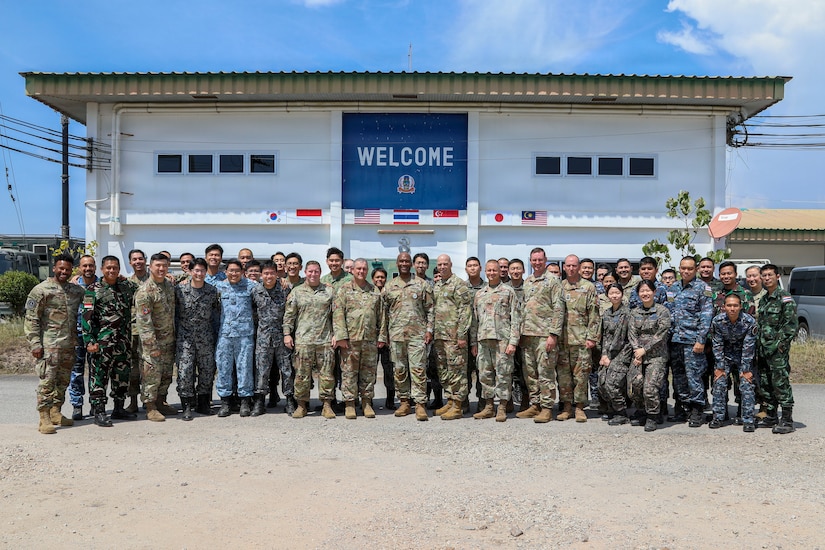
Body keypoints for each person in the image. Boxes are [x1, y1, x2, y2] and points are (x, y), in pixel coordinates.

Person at [24, 253, 85, 434]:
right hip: (49, 345)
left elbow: (91, 295)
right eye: (61, 268)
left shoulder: (76, 291)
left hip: (69, 344)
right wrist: (35, 343)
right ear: (54, 268)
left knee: (63, 380)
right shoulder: (41, 290)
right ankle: (44, 418)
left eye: (67, 269)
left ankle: (56, 411)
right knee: (47, 381)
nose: (64, 272)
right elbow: (31, 318)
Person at [81, 255, 138, 427]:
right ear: (102, 269)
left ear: (119, 269)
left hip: (123, 342)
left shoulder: (127, 287)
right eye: (108, 268)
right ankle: (99, 412)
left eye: (115, 268)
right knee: (99, 377)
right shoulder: (92, 290)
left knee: (122, 376)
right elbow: (86, 317)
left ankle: (119, 408)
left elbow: (144, 290)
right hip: (102, 343)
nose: (112, 271)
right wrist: (89, 341)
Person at [333, 258, 387, 419]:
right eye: (358, 269)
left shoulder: (374, 291)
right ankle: (350, 403)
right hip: (350, 340)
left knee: (369, 373)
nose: (361, 271)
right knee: (349, 372)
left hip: (370, 340)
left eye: (364, 269)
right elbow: (338, 314)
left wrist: (382, 336)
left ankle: (366, 402)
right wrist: (341, 336)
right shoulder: (344, 290)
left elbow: (382, 316)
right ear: (353, 270)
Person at [383, 252, 434, 421]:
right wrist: (385, 335)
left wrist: (429, 330)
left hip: (417, 335)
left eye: (406, 261)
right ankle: (404, 402)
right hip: (396, 335)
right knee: (399, 370)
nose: (404, 263)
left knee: (419, 370)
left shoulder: (421, 284)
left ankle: (420, 404)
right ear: (397, 263)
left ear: (411, 264)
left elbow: (430, 309)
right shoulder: (389, 287)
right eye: (401, 261)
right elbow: (384, 313)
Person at [516, 247, 564, 423]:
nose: (537, 263)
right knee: (530, 373)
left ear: (545, 260)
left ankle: (546, 408)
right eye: (534, 260)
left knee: (545, 373)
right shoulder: (528, 281)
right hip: (527, 334)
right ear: (530, 261)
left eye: (540, 260)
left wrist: (553, 334)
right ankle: (535, 404)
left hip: (544, 335)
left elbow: (559, 309)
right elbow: (523, 308)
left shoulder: (553, 281)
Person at [283, 261, 336, 419]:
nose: (313, 274)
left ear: (320, 273)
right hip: (303, 340)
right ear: (305, 272)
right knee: (302, 375)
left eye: (316, 271)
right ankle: (301, 405)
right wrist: (287, 333)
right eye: (310, 271)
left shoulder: (329, 291)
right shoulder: (297, 292)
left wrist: (337, 334)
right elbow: (289, 315)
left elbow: (337, 315)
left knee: (326, 375)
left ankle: (326, 405)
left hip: (325, 339)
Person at [471, 260, 521, 422]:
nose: (491, 273)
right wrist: (473, 342)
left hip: (502, 340)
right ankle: (489, 406)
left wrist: (513, 341)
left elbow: (516, 318)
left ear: (500, 271)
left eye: (494, 270)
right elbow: (474, 321)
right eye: (489, 270)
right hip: (483, 340)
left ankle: (502, 407)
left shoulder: (508, 291)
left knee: (504, 374)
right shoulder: (480, 294)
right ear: (485, 271)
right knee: (485, 375)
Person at [669, 256, 714, 427]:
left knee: (694, 376)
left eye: (689, 268)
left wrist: (701, 340)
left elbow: (706, 315)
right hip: (675, 340)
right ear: (679, 269)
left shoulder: (703, 288)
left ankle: (697, 410)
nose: (686, 271)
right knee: (679, 377)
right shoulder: (673, 287)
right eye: (683, 268)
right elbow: (669, 311)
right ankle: (684, 408)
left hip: (692, 341)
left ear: (695, 270)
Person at [174, 258, 220, 420]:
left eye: (202, 270)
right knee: (185, 371)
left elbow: (216, 313)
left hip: (206, 337)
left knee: (207, 370)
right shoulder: (179, 290)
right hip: (185, 338)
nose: (199, 273)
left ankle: (203, 403)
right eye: (196, 270)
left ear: (206, 272)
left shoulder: (212, 291)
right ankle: (186, 405)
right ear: (190, 271)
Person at [557, 254, 601, 422]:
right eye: (568, 265)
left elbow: (594, 315)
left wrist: (592, 337)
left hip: (582, 340)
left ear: (579, 267)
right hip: (562, 340)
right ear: (564, 267)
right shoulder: (559, 286)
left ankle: (580, 408)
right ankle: (567, 407)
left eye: (574, 265)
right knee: (564, 375)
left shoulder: (588, 287)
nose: (571, 268)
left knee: (581, 376)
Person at [755, 263, 798, 434]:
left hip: (777, 351)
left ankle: (787, 420)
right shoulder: (765, 298)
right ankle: (771, 415)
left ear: (777, 277)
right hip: (764, 349)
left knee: (780, 383)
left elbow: (791, 326)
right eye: (764, 275)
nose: (766, 278)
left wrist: (780, 346)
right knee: (766, 382)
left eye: (769, 275)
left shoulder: (784, 298)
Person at [135, 253, 177, 422]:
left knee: (166, 373)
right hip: (153, 343)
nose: (161, 269)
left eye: (164, 266)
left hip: (169, 340)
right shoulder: (145, 291)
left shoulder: (168, 286)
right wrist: (152, 346)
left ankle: (161, 401)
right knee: (151, 374)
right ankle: (150, 406)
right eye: (157, 266)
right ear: (150, 267)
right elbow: (144, 322)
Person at [431, 254, 473, 420]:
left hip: (455, 337)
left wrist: (462, 334)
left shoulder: (459, 285)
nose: (442, 267)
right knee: (445, 371)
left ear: (451, 265)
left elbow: (465, 312)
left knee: (457, 371)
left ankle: (458, 405)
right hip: (440, 337)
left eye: (445, 264)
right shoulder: (438, 285)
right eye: (440, 264)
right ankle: (450, 400)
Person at [214, 259, 257, 417]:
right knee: (224, 368)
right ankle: (225, 401)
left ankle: (245, 401)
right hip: (225, 334)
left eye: (237, 271)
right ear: (226, 272)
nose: (233, 273)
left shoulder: (251, 286)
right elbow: (197, 281)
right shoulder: (219, 287)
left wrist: (284, 281)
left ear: (242, 272)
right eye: (230, 270)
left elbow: (269, 285)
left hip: (244, 335)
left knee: (245, 368)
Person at [627, 280, 672, 432]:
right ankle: (642, 411)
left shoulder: (662, 311)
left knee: (650, 387)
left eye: (648, 290)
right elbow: (632, 334)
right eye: (642, 291)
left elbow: (661, 335)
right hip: (638, 356)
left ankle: (653, 416)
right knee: (635, 385)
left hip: (656, 357)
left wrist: (644, 349)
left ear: (654, 292)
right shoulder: (634, 312)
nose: (645, 294)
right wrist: (636, 351)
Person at [710, 293, 758, 431]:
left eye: (735, 305)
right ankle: (718, 417)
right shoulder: (717, 321)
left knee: (746, 384)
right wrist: (719, 366)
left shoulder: (749, 322)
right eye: (729, 305)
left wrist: (746, 369)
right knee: (719, 382)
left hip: (743, 355)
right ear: (724, 307)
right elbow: (717, 344)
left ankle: (748, 419)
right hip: (725, 356)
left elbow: (749, 346)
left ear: (741, 307)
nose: (732, 308)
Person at [249, 260, 290, 416]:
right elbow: (252, 314)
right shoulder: (255, 291)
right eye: (266, 273)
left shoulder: (285, 289)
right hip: (263, 337)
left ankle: (290, 400)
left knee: (286, 369)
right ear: (261, 274)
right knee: (261, 370)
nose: (269, 276)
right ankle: (260, 401)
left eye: (272, 273)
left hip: (282, 336)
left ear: (276, 274)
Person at [69, 254, 98, 420]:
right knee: (76, 372)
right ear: (79, 268)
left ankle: (95, 403)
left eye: (91, 265)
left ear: (94, 267)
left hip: (95, 336)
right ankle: (77, 405)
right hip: (77, 335)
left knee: (96, 372)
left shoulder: (102, 285)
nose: (88, 269)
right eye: (84, 266)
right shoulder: (73, 286)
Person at [600, 283, 632, 425]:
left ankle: (621, 412)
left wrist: (609, 356)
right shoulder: (606, 313)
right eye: (611, 293)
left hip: (623, 353)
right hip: (608, 353)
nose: (614, 295)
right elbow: (605, 336)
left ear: (622, 294)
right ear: (607, 295)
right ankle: (612, 409)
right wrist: (603, 354)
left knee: (611, 383)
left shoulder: (627, 313)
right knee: (601, 382)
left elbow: (620, 337)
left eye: (617, 293)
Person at [126, 249, 149, 414]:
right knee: (133, 368)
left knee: (150, 368)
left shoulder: (155, 279)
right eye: (134, 259)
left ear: (145, 261)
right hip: (133, 331)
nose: (138, 262)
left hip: (150, 332)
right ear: (130, 262)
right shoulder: (126, 283)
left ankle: (151, 401)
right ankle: (133, 401)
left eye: (140, 258)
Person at [372, 267, 396, 409]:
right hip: (372, 340)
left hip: (388, 339)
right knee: (369, 372)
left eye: (382, 277)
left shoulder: (389, 293)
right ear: (373, 278)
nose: (379, 280)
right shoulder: (369, 293)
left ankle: (390, 399)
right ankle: (366, 399)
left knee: (389, 371)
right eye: (377, 277)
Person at [506, 258, 527, 413]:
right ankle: (508, 401)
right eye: (512, 269)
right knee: (508, 370)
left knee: (525, 371)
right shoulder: (504, 289)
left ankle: (526, 401)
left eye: (518, 268)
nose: (515, 271)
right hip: (508, 336)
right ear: (508, 271)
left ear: (523, 270)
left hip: (526, 335)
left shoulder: (529, 287)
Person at [464, 257, 485, 412]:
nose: (472, 268)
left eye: (475, 265)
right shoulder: (461, 287)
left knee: (482, 371)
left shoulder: (487, 288)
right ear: (466, 269)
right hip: (463, 336)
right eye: (469, 266)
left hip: (483, 335)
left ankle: (483, 402)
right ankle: (463, 401)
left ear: (480, 268)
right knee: (464, 370)